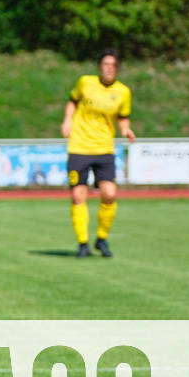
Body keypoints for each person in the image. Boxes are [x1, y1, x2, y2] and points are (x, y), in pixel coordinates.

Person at [61, 48, 135, 258]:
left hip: (104, 148)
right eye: (105, 64)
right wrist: (67, 120)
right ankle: (82, 243)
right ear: (99, 67)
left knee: (110, 194)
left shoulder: (123, 92)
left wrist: (125, 129)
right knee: (78, 195)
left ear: (118, 68)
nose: (109, 69)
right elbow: (72, 101)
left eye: (113, 65)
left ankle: (101, 238)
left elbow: (123, 115)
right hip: (79, 147)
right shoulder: (85, 82)